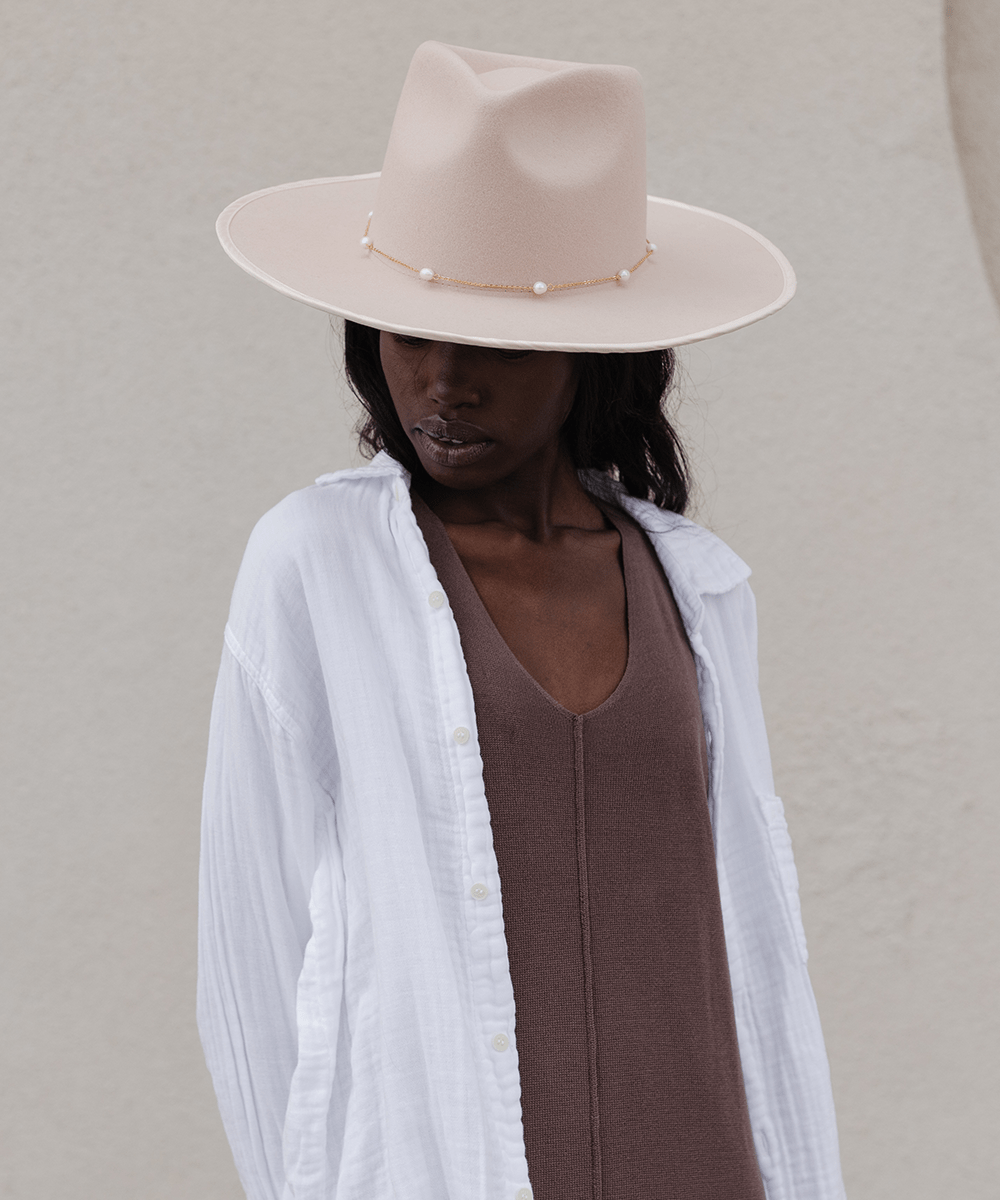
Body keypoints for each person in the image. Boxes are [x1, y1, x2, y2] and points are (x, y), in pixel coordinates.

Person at [198, 39, 846, 1200]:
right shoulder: (317, 565)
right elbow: (250, 956)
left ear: (591, 351)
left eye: (492, 341)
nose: (443, 381)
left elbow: (749, 943)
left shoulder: (694, 588)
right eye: (409, 331)